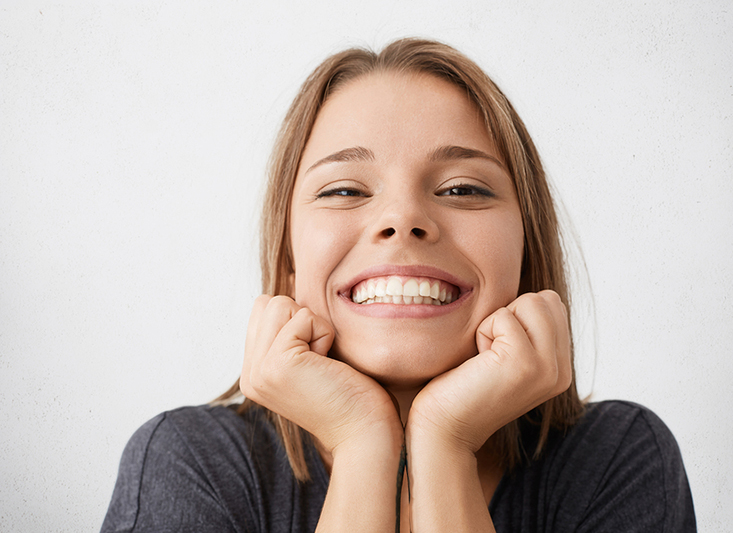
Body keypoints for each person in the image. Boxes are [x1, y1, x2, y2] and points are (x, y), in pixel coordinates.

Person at [101, 38, 696, 532]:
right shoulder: (187, 462)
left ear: (526, 252)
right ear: (288, 262)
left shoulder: (619, 456)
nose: (402, 218)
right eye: (344, 190)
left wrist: (446, 444)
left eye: (463, 188)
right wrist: (363, 446)